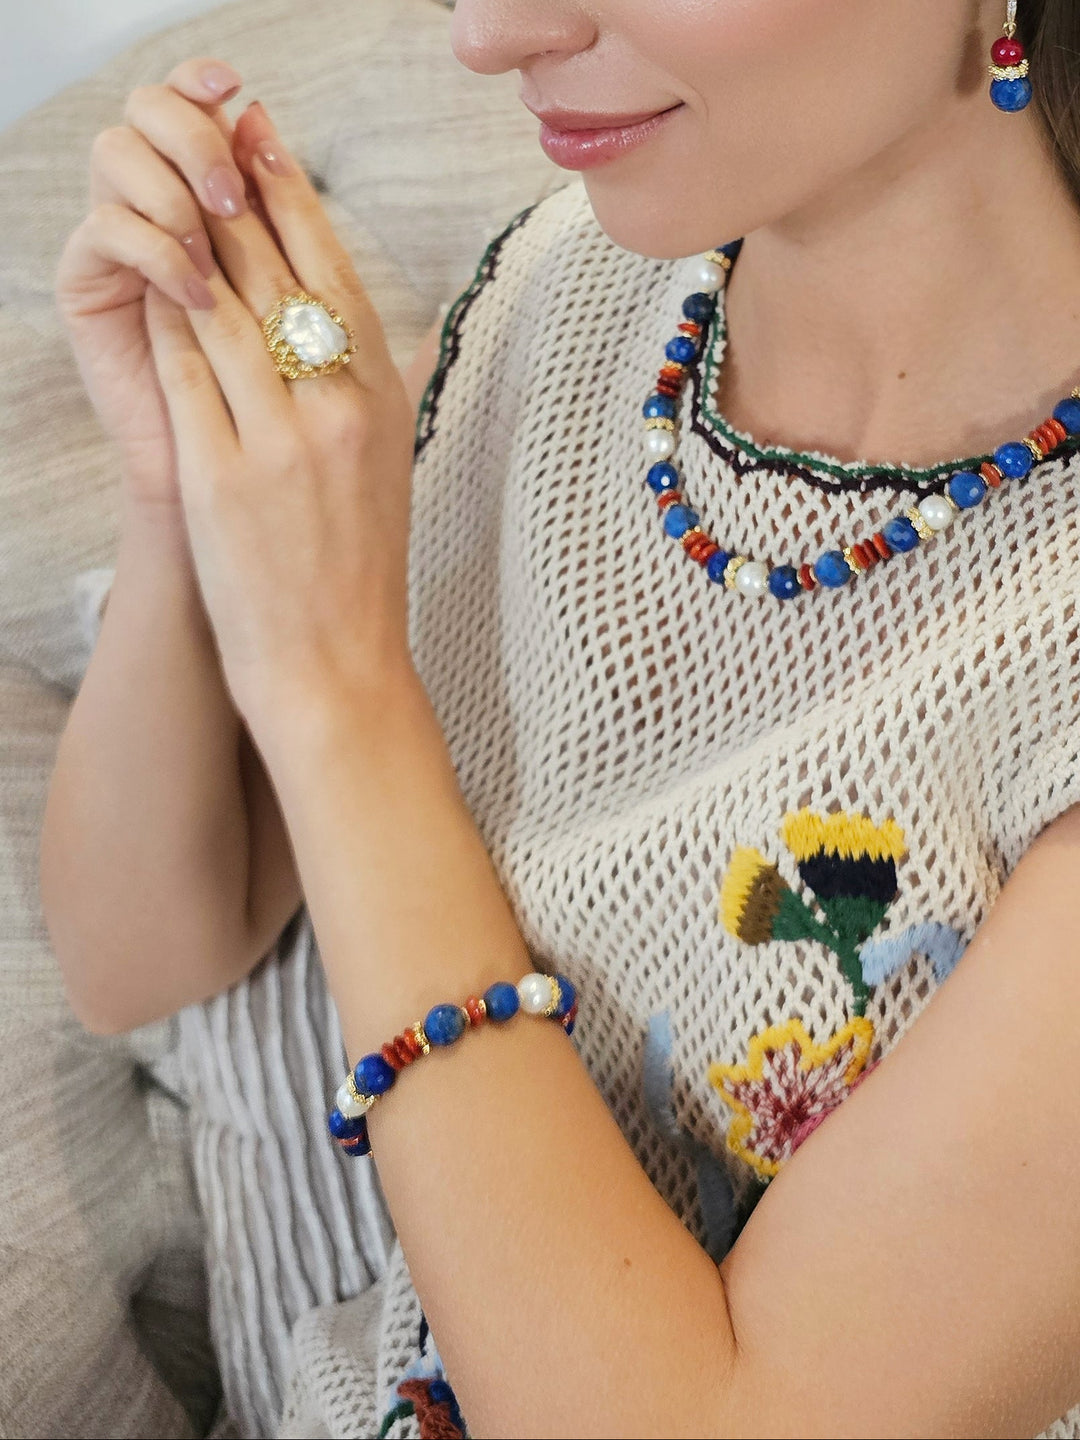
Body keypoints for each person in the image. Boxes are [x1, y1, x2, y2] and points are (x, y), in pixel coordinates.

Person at [38, 0, 1080, 1435]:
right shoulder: (572, 291)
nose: (489, 33)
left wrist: (341, 686)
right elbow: (144, 948)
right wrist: (193, 498)